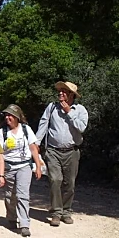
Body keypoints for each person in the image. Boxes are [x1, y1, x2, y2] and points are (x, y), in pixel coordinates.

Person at [35, 81, 88, 227]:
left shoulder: (80, 110)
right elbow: (43, 125)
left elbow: (82, 128)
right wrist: (36, 144)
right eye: (60, 91)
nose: (60, 93)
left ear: (72, 95)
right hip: (53, 151)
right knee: (55, 180)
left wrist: (69, 112)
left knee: (69, 184)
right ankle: (56, 213)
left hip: (72, 151)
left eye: (64, 91)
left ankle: (66, 211)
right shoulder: (51, 108)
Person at [0, 105, 42, 237]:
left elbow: (33, 148)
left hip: (24, 166)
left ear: (17, 117)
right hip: (9, 167)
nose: (7, 117)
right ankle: (11, 217)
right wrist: (1, 174)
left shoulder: (26, 130)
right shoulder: (2, 133)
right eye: (6, 115)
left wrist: (38, 166)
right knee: (10, 195)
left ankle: (24, 224)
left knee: (23, 194)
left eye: (10, 115)